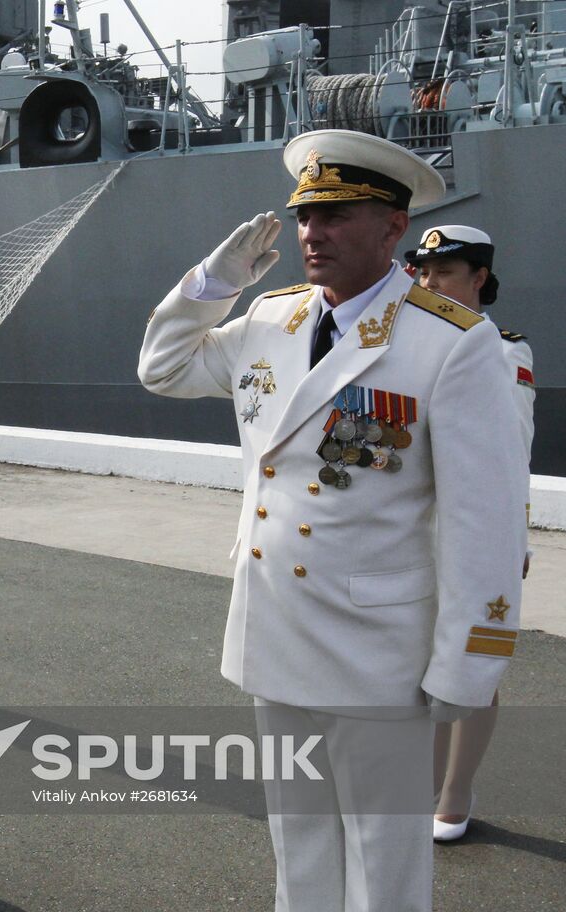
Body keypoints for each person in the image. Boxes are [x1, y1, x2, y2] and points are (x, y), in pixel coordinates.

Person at [137, 130, 528, 911]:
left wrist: (466, 667)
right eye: (306, 215)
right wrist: (216, 281)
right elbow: (163, 368)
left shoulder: (452, 342)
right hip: (276, 631)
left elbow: (484, 523)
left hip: (376, 652)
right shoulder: (269, 321)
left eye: (338, 214)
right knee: (300, 843)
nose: (313, 232)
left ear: (392, 227)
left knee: (385, 861)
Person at [404, 225, 535, 842]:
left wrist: (515, 543)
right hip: (410, 536)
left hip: (474, 538)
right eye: (423, 273)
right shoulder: (405, 344)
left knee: (473, 666)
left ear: (479, 279)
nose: (429, 284)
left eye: (445, 273)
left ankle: (454, 792)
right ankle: (418, 783)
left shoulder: (504, 352)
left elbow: (510, 457)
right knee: (413, 669)